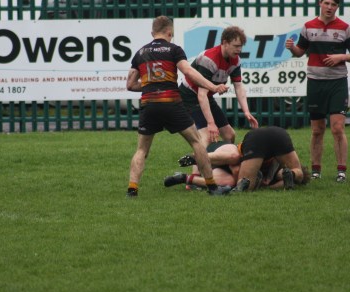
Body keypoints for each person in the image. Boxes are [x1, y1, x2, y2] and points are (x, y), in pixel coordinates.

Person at [126, 15, 230, 197]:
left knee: (141, 150)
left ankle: (132, 190)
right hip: (171, 103)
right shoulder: (174, 49)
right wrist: (212, 86)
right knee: (197, 142)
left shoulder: (140, 53)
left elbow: (130, 85)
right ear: (169, 32)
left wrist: (151, 85)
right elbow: (188, 71)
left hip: (149, 104)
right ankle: (212, 187)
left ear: (152, 33)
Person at [285, 0, 350, 183]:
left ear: (337, 7)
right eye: (326, 3)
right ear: (320, 3)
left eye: (333, 4)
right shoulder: (308, 27)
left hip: (337, 83)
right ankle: (316, 170)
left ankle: (341, 171)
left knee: (337, 128)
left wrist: (341, 57)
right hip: (315, 82)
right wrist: (292, 48)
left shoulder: (345, 28)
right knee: (317, 129)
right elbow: (300, 51)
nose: (329, 7)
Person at [179, 25, 258, 145]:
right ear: (225, 43)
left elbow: (238, 86)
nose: (239, 50)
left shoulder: (235, 60)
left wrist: (246, 111)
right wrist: (211, 123)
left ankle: (221, 158)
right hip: (189, 97)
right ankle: (199, 158)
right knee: (206, 137)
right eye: (236, 46)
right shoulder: (209, 59)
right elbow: (201, 95)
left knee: (229, 135)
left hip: (206, 97)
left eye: (241, 46)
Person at [166, 126, 310, 191]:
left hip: (275, 135)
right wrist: (265, 183)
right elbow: (236, 169)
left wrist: (265, 184)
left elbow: (237, 173)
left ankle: (184, 178)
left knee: (230, 183)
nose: (281, 174)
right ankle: (197, 157)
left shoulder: (277, 168)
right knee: (234, 159)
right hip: (225, 152)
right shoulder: (275, 166)